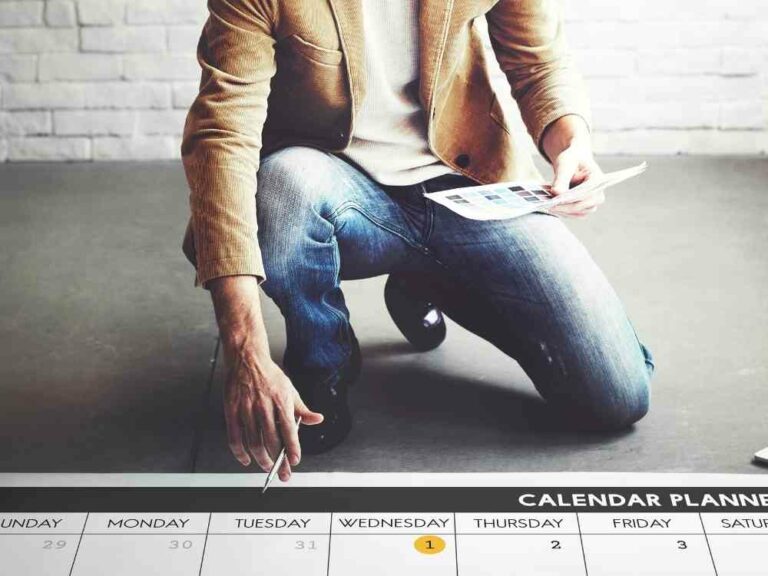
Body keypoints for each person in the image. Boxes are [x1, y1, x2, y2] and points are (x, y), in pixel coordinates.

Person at [181, 0, 654, 483]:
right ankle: (324, 360)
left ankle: (424, 276)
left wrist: (570, 144)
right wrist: (246, 351)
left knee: (618, 397)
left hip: (466, 182)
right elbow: (223, 134)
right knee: (281, 187)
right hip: (338, 185)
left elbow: (536, 61)